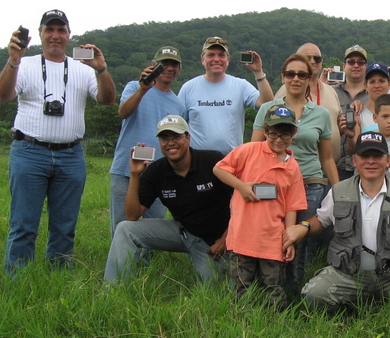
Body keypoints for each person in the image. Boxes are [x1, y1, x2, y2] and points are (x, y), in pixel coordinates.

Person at [0, 9, 117, 276]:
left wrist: (101, 69)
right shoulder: (24, 64)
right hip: (29, 152)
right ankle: (18, 278)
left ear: (69, 35)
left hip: (71, 154)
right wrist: (13, 60)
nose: (55, 35)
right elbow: (2, 95)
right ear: (39, 34)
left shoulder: (82, 68)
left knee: (64, 225)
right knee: (24, 223)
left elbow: (108, 100)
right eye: (49, 30)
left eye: (61, 30)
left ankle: (59, 275)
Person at [283, 132, 390, 314]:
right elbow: (321, 221)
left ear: (387, 161)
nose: (371, 161)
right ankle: (356, 307)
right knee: (313, 295)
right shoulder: (339, 191)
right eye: (364, 156)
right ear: (355, 161)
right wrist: (303, 227)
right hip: (349, 274)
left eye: (377, 156)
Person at [103, 115, 231, 284]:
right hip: (182, 231)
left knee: (213, 288)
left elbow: (241, 202)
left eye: (176, 137)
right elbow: (132, 216)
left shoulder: (212, 160)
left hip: (215, 240)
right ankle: (113, 287)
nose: (170, 143)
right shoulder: (156, 171)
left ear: (187, 138)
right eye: (164, 138)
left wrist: (226, 238)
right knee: (125, 228)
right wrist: (135, 175)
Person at [253, 55, 339, 294]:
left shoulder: (320, 114)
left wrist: (339, 189)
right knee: (270, 237)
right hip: (273, 185)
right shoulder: (268, 109)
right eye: (290, 74)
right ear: (283, 77)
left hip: (309, 185)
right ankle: (267, 291)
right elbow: (255, 150)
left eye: (302, 74)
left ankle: (292, 294)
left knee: (298, 241)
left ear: (310, 79)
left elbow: (327, 158)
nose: (296, 79)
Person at [213, 105, 307, 308]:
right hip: (242, 236)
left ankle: (273, 325)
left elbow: (293, 205)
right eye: (273, 134)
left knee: (273, 287)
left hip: (273, 239)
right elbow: (219, 169)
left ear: (294, 133)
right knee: (241, 287)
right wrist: (241, 186)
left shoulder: (292, 166)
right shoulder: (248, 150)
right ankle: (241, 324)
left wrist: (288, 239)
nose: (279, 140)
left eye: (285, 134)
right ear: (265, 131)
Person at [108, 46, 186, 235]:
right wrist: (143, 89)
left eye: (174, 64)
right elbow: (123, 112)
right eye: (164, 63)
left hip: (159, 174)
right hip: (125, 169)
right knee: (121, 226)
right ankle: (121, 265)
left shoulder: (178, 104)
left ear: (179, 69)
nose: (169, 68)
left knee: (153, 227)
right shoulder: (134, 86)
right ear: (153, 65)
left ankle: (146, 264)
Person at [178, 36, 273, 154]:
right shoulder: (188, 88)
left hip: (232, 160)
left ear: (228, 59)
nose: (216, 59)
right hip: (197, 162)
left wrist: (258, 71)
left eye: (221, 55)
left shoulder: (240, 86)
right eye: (211, 55)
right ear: (202, 59)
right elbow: (177, 124)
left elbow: (268, 104)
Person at [275, 43, 343, 163]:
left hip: (329, 167)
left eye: (317, 58)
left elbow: (336, 127)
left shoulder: (331, 91)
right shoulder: (284, 92)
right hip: (297, 169)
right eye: (308, 58)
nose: (313, 61)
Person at [328, 44, 369, 180]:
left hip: (365, 164)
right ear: (344, 65)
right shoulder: (330, 92)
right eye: (351, 62)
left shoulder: (373, 95)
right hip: (334, 164)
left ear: (366, 66)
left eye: (360, 62)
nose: (356, 65)